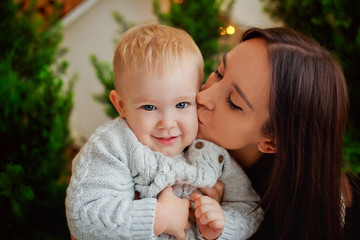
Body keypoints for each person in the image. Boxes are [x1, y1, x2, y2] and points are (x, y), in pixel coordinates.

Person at [65, 24, 263, 240]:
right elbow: (83, 216)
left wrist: (222, 225)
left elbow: (249, 209)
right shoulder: (114, 145)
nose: (168, 123)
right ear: (121, 105)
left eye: (182, 105)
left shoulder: (211, 153)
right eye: (149, 107)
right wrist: (159, 217)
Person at [196, 26, 359, 239]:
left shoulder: (288, 226)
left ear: (272, 142)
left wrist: (218, 228)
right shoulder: (166, 122)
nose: (202, 96)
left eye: (233, 103)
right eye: (218, 73)